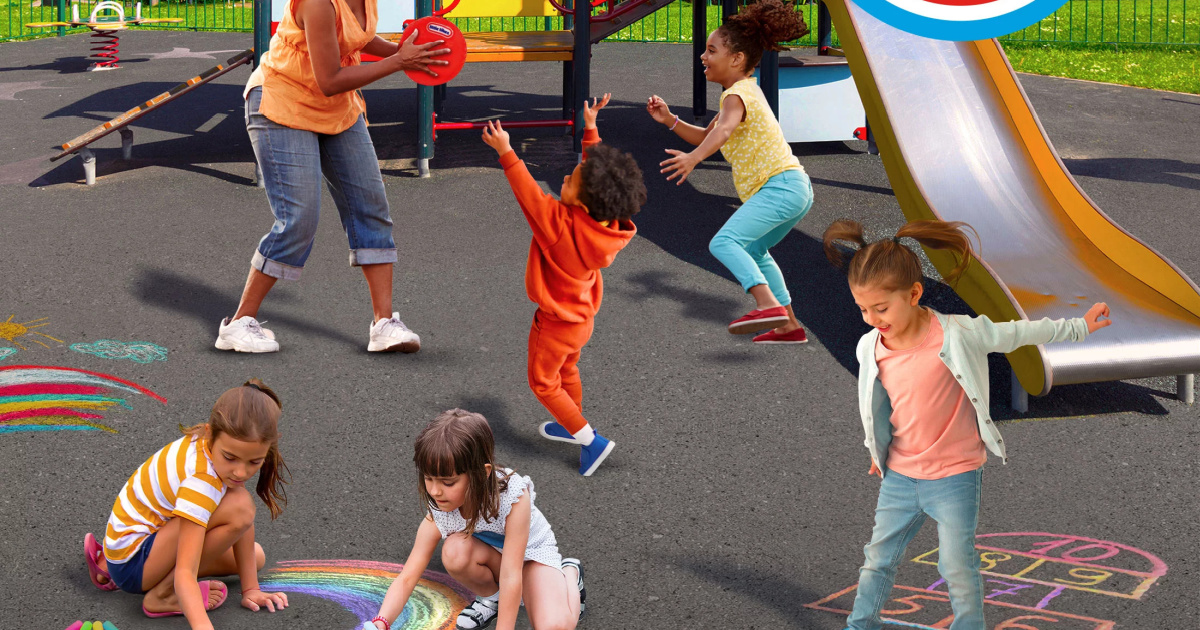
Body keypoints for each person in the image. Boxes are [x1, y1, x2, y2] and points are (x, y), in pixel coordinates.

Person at [823, 219, 1113, 630]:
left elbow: (1017, 333)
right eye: (863, 309)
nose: (872, 319)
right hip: (902, 475)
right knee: (879, 557)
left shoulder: (958, 334)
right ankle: (860, 624)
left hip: (956, 474)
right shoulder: (870, 346)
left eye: (881, 308)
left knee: (956, 565)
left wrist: (1078, 326)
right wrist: (877, 450)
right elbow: (878, 404)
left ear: (914, 293)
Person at [216, 0, 450, 353]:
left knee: (370, 205)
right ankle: (238, 324)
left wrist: (403, 50)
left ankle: (384, 324)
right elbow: (329, 80)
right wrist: (399, 61)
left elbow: (355, 38)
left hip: (337, 108)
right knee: (299, 219)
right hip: (283, 102)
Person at [481, 94, 646, 476]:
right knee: (567, 370)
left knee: (542, 382)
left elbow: (529, 195)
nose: (566, 178)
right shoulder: (608, 226)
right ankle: (572, 425)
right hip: (581, 319)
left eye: (570, 181)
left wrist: (507, 152)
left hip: (554, 323)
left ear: (583, 205)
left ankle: (590, 441)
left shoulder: (558, 227)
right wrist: (591, 130)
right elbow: (598, 174)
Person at [648, 0, 813, 344]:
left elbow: (718, 136)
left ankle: (767, 305)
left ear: (736, 59)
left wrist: (693, 159)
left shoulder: (735, 96)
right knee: (753, 250)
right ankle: (789, 326)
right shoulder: (740, 95)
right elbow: (711, 135)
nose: (703, 57)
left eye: (711, 50)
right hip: (792, 189)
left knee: (725, 242)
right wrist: (670, 120)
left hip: (780, 187)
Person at [83, 380, 291, 629]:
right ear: (210, 433)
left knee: (254, 557)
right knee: (239, 509)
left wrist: (251, 589)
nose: (240, 471)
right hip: (133, 562)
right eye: (231, 458)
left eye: (254, 462)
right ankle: (162, 596)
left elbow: (241, 526)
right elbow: (185, 572)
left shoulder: (213, 448)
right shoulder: (201, 481)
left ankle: (110, 563)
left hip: (135, 544)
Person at [369, 409, 584, 630]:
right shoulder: (440, 512)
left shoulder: (513, 497)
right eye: (428, 478)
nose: (434, 491)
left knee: (555, 626)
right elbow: (407, 578)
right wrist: (381, 622)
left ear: (482, 474)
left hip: (532, 559)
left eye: (448, 482)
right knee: (454, 551)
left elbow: (512, 575)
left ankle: (569, 573)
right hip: (495, 561)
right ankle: (493, 598)